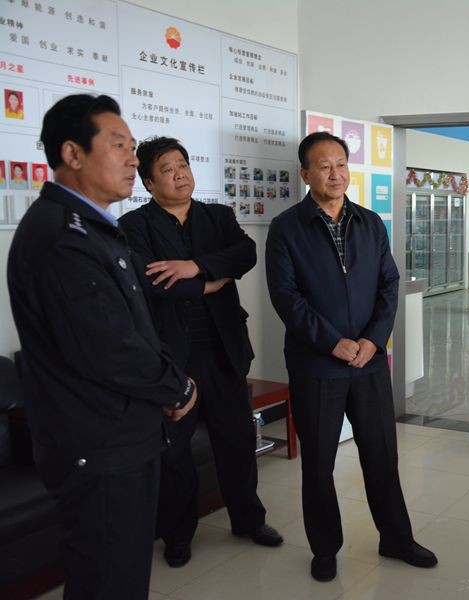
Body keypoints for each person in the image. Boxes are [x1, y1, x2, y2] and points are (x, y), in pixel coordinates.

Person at [6, 94, 198, 599]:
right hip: (98, 442)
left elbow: (134, 328)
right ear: (72, 154)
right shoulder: (61, 236)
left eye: (132, 147)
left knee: (122, 575)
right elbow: (109, 346)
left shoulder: (92, 228)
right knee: (109, 581)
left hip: (121, 433)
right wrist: (176, 388)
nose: (132, 160)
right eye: (118, 146)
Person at [266, 131, 437, 582]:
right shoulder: (287, 228)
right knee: (319, 462)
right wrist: (332, 342)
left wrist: (373, 340)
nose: (335, 174)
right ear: (306, 174)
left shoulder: (370, 222)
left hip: (368, 363)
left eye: (341, 164)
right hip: (317, 366)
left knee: (381, 456)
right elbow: (286, 297)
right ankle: (325, 548)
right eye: (324, 166)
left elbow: (388, 285)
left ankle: (396, 538)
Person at [119, 136, 282, 568]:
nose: (179, 174)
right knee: (175, 453)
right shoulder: (134, 225)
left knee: (238, 441)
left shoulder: (217, 216)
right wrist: (210, 283)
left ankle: (248, 520)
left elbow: (245, 253)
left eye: (183, 165)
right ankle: (177, 535)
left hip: (224, 350)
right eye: (167, 169)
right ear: (149, 183)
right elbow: (149, 282)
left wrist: (195, 267)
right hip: (173, 358)